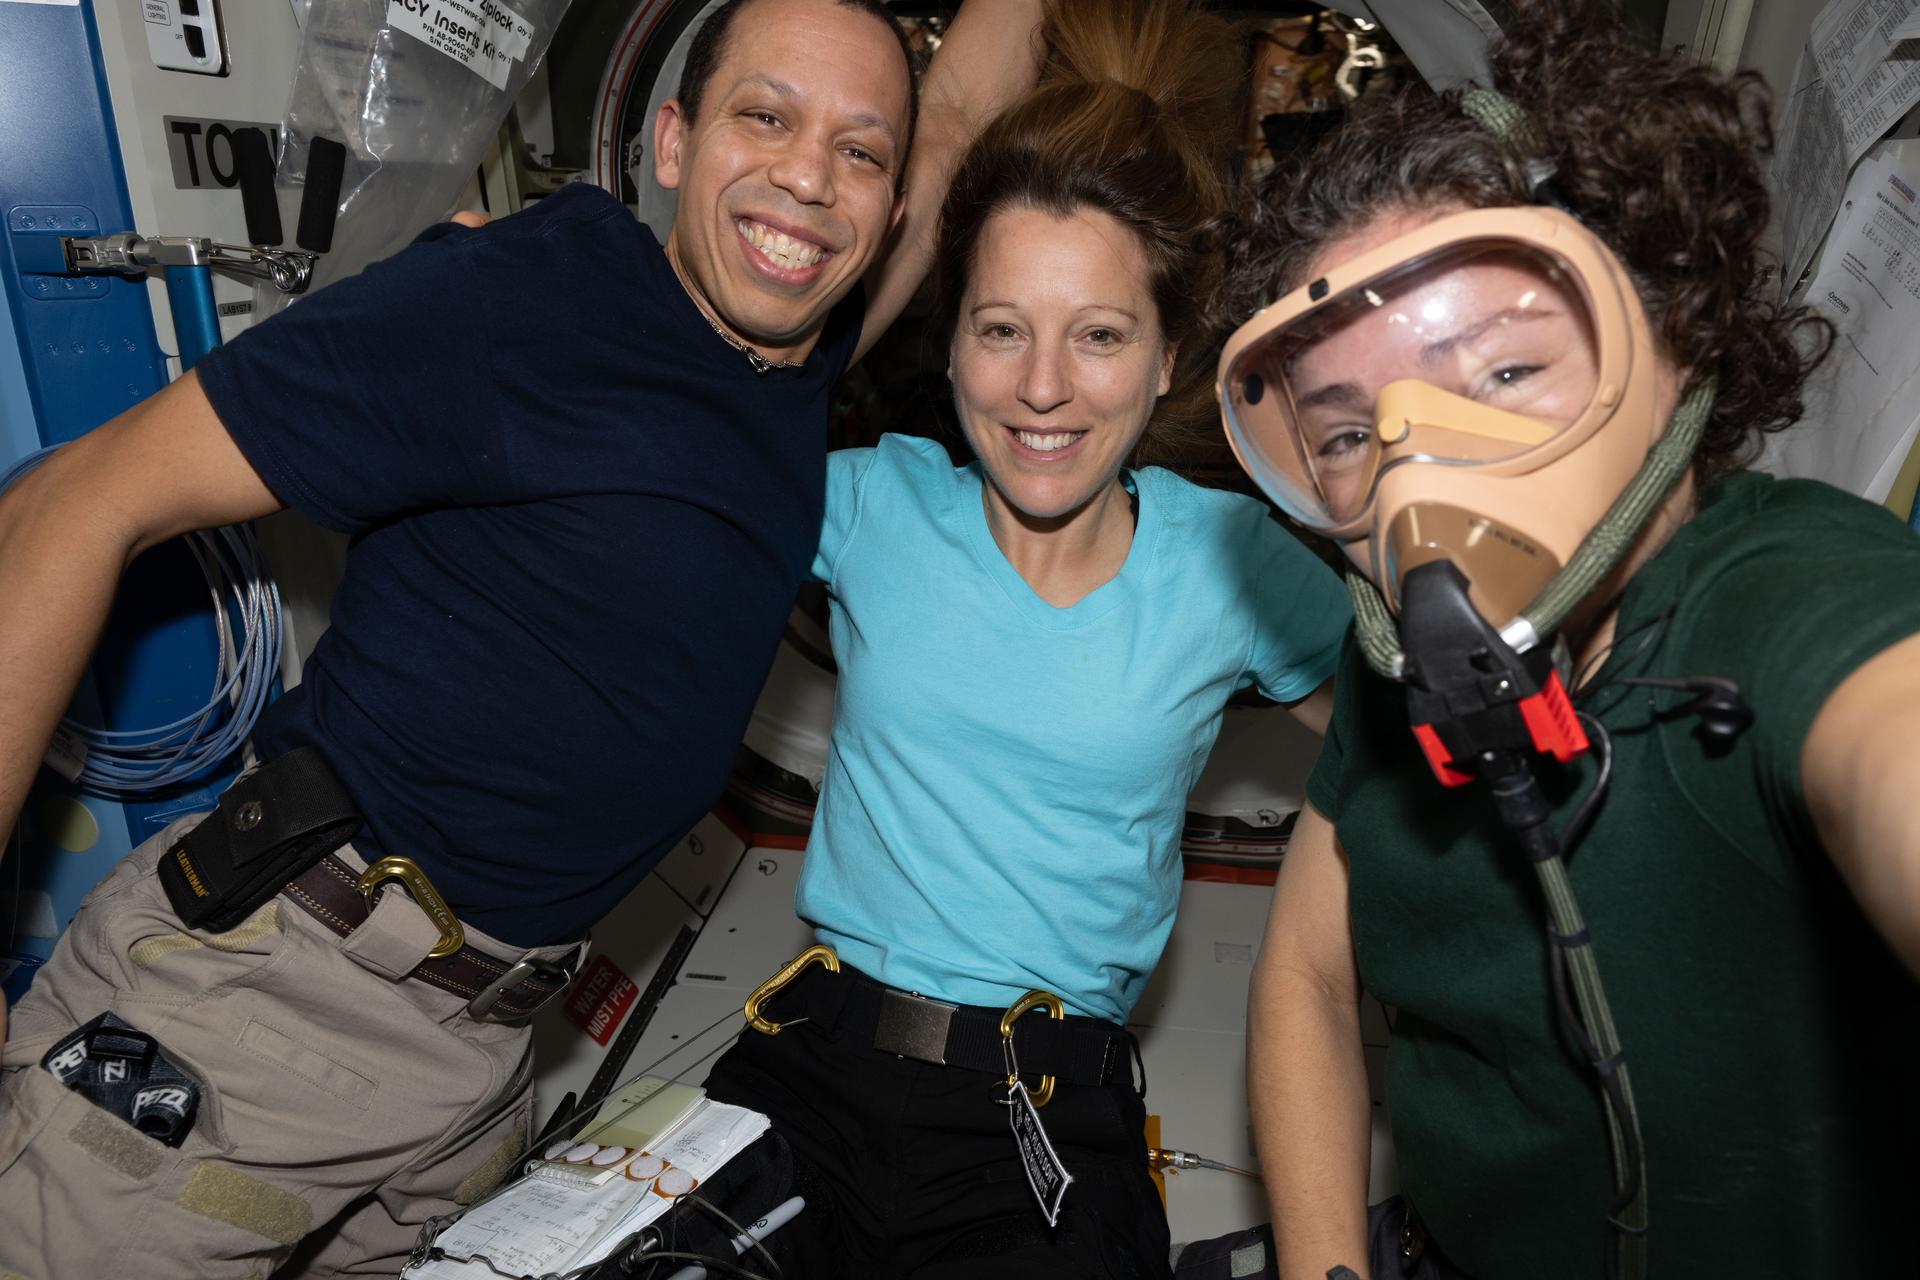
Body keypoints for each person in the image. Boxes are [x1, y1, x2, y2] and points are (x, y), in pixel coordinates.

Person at [0, 0, 1047, 1273]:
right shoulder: (521, 298)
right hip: (267, 1004)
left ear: (889, 209)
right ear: (672, 140)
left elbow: (961, 115)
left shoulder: (795, 359)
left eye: (859, 151)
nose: (809, 178)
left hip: (474, 1066)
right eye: (765, 117)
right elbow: (66, 505)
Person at [1218, 3, 1920, 1277]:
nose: (1421, 474)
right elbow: (1308, 975)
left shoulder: (1787, 596)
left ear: (1673, 333)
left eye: (1503, 372)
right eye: (1348, 433)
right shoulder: (1408, 654)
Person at [696, 2, 1353, 1275]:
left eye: (1098, 334)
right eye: (1001, 328)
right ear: (950, 347)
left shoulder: (1227, 560)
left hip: (1046, 1114)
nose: (1042, 386)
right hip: (811, 1070)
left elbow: (1414, 739)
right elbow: (675, 463)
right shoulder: (871, 503)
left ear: (1166, 358)